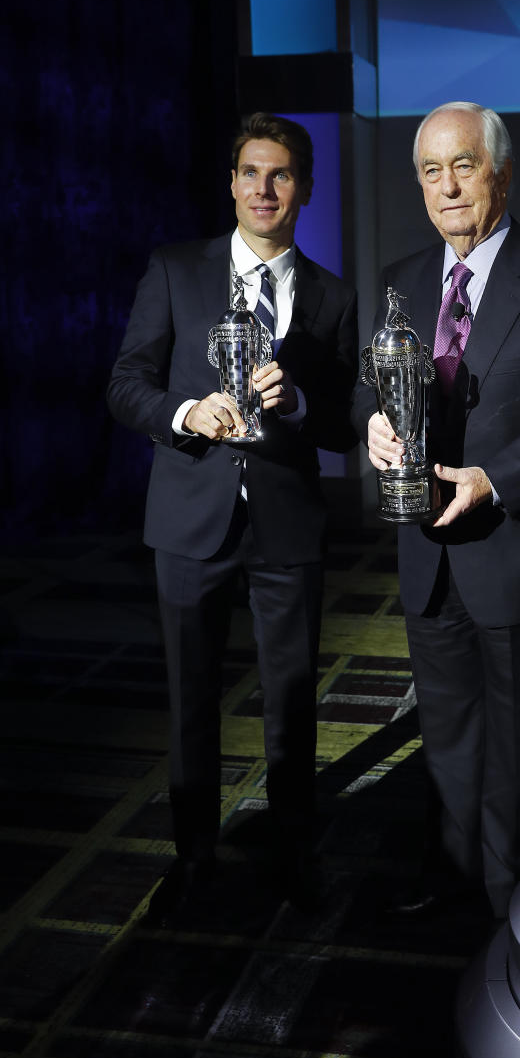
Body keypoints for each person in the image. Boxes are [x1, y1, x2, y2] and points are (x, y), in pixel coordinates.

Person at [108, 112, 358, 923]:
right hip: (188, 518)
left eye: (280, 175)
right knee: (192, 699)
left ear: (305, 190)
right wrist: (184, 413)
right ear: (231, 182)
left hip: (285, 522)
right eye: (250, 172)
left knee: (291, 700)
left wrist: (307, 399)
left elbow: (344, 420)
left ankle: (292, 855)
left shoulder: (331, 295)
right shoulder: (177, 271)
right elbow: (125, 384)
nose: (263, 189)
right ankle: (193, 858)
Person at [352, 101, 520, 920]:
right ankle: (457, 894)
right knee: (450, 742)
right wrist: (375, 428)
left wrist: (493, 476)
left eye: (464, 165)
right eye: (430, 170)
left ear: (502, 171)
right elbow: (367, 389)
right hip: (430, 559)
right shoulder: (402, 278)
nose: (447, 186)